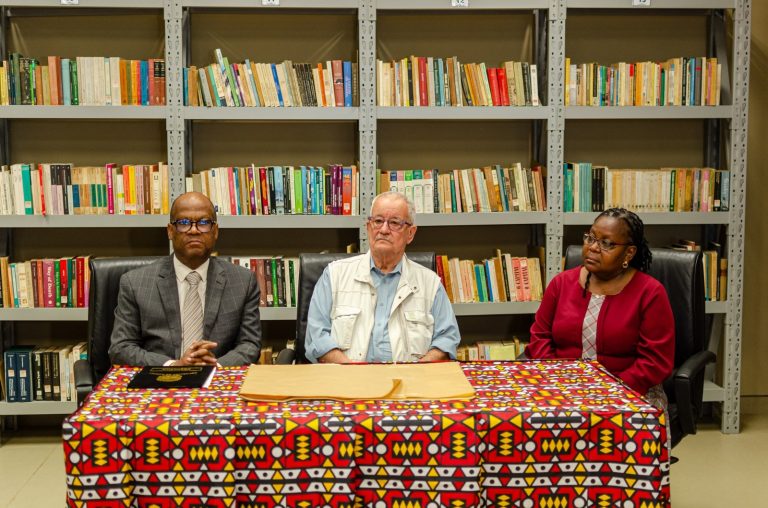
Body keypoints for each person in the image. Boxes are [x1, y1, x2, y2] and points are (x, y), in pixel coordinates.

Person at [524, 207, 674, 404]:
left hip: (628, 391)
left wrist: (608, 390)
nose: (593, 247)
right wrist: (559, 379)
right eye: (591, 238)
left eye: (606, 243)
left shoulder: (650, 293)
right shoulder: (561, 284)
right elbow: (540, 338)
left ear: (629, 252)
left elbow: (654, 362)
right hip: (561, 387)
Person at [305, 191, 460, 364]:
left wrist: (417, 371)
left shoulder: (430, 284)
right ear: (368, 227)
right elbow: (317, 338)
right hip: (346, 377)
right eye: (378, 221)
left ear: (410, 233)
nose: (384, 230)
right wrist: (350, 370)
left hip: (410, 379)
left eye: (394, 223)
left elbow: (447, 340)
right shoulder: (334, 275)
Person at [109, 191, 262, 367]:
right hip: (160, 379)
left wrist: (215, 366)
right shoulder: (134, 283)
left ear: (215, 231)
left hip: (219, 378)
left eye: (203, 223)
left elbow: (250, 345)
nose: (194, 230)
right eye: (183, 223)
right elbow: (121, 348)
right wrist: (173, 365)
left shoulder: (243, 282)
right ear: (170, 231)